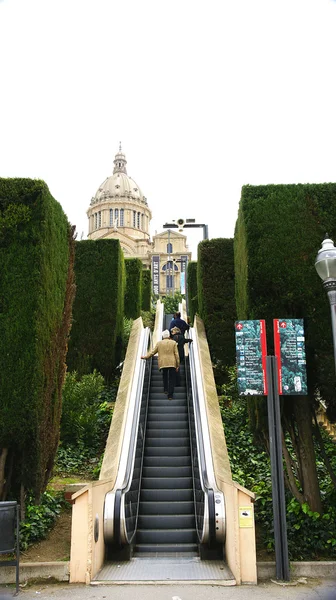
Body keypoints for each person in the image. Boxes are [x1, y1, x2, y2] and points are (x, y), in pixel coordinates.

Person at [141, 329, 179, 399]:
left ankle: (165, 389)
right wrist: (177, 365)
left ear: (163, 336)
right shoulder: (173, 343)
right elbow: (176, 354)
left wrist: (145, 357)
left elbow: (152, 352)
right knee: (171, 379)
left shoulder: (159, 343)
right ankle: (170, 395)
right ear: (169, 336)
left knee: (165, 376)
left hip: (163, 363)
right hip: (172, 363)